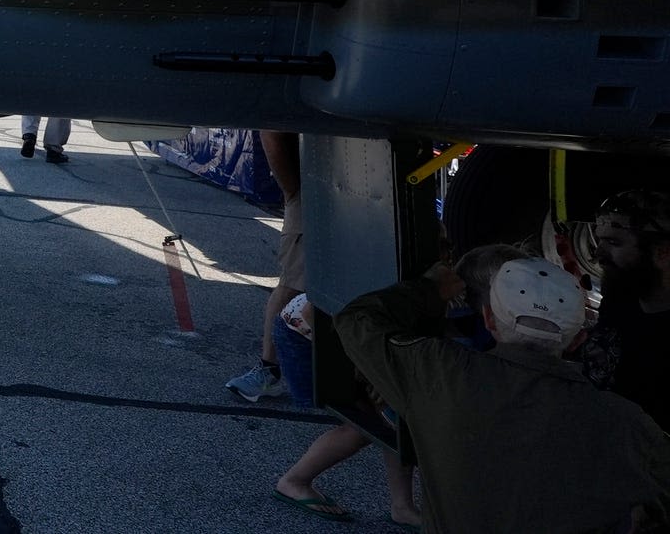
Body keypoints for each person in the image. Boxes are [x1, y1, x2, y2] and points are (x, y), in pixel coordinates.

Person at [337, 251, 670, 534]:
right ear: (577, 340)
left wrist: (430, 289)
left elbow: (356, 320)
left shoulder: (438, 374)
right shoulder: (628, 424)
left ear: (489, 320)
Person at [269, 290, 421, 524]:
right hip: (310, 337)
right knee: (365, 425)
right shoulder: (381, 266)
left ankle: (402, 508)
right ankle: (294, 481)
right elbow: (314, 310)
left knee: (394, 420)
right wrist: (366, 371)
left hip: (351, 341)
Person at [585, 189, 670, 432]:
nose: (597, 255)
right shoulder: (620, 297)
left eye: (613, 242)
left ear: (662, 253)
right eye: (599, 240)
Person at [230, 130, 303, 402]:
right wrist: (294, 192)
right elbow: (271, 129)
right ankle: (270, 370)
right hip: (315, 195)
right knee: (291, 286)